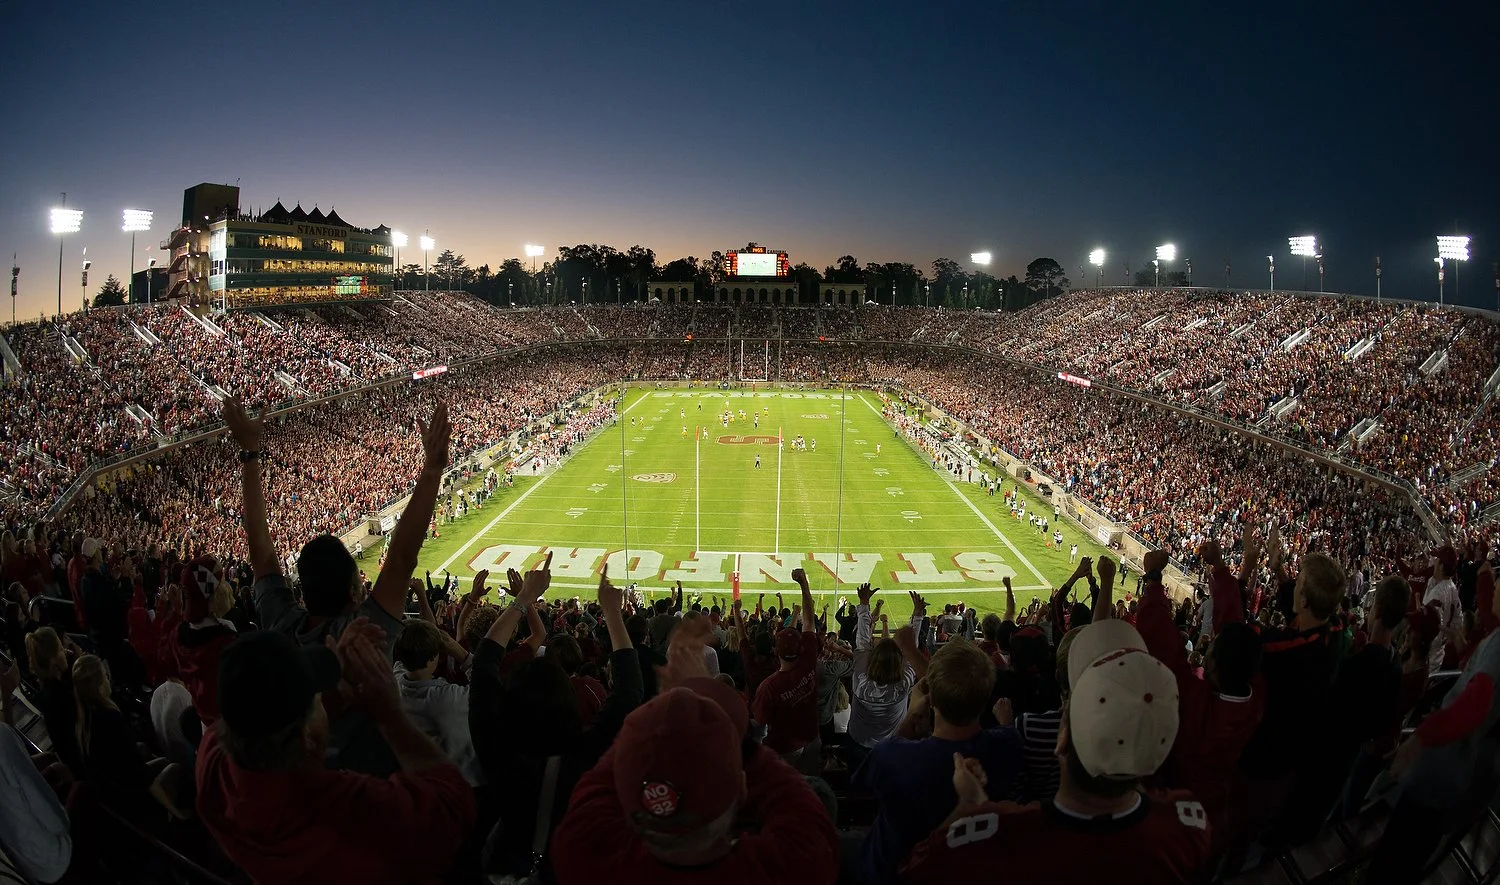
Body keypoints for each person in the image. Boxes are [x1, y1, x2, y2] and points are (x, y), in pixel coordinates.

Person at [224, 395, 450, 774]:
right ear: (353, 590)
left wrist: (250, 454)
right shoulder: (362, 635)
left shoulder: (281, 626)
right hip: (366, 785)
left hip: (298, 781)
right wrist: (431, 470)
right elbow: (401, 559)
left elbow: (261, 554)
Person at [901, 618, 1210, 884]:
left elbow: (911, 870)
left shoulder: (986, 834)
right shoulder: (1190, 824)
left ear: (1061, 740)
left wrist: (969, 806)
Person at [196, 622, 475, 884]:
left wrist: (336, 690)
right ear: (307, 736)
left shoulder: (212, 764)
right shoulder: (345, 807)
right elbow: (453, 807)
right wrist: (390, 715)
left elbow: (260, 716)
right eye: (317, 699)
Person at [550, 648, 838, 883]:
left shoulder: (582, 858)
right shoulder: (794, 865)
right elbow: (797, 801)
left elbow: (596, 787)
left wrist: (654, 723)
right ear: (741, 789)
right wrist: (733, 735)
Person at [855, 640, 1024, 885]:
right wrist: (1006, 723)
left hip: (890, 873)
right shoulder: (1009, 742)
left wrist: (912, 714)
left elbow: (862, 783)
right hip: (965, 868)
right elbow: (1008, 740)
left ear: (931, 699)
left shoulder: (891, 755)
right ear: (986, 696)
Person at [752, 568, 820, 774]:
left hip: (784, 750)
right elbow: (809, 620)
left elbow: (760, 723)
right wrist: (803, 583)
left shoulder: (769, 687)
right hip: (811, 738)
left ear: (776, 651)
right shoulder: (809, 658)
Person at [848, 587, 926, 755]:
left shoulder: (861, 676)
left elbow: (862, 641)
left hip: (859, 740)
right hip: (892, 744)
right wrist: (918, 615)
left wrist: (863, 603)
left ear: (872, 658)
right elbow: (911, 649)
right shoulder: (904, 682)